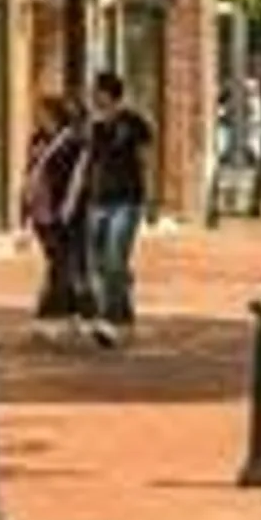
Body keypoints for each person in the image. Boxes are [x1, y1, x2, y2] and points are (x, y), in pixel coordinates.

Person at [81, 72, 154, 345]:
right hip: (99, 200)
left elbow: (145, 160)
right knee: (100, 263)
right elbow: (89, 163)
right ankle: (124, 313)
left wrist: (150, 199)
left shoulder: (134, 123)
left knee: (113, 259)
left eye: (96, 91)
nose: (93, 96)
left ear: (109, 94)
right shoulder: (94, 126)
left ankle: (109, 320)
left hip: (127, 200)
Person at [22, 93, 92, 336]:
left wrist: (69, 205)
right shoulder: (37, 138)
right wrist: (26, 210)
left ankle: (52, 315)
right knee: (57, 262)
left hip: (66, 208)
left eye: (42, 112)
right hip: (42, 209)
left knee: (61, 263)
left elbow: (78, 177)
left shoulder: (73, 141)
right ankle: (74, 315)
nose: (37, 117)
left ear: (54, 114)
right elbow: (30, 171)